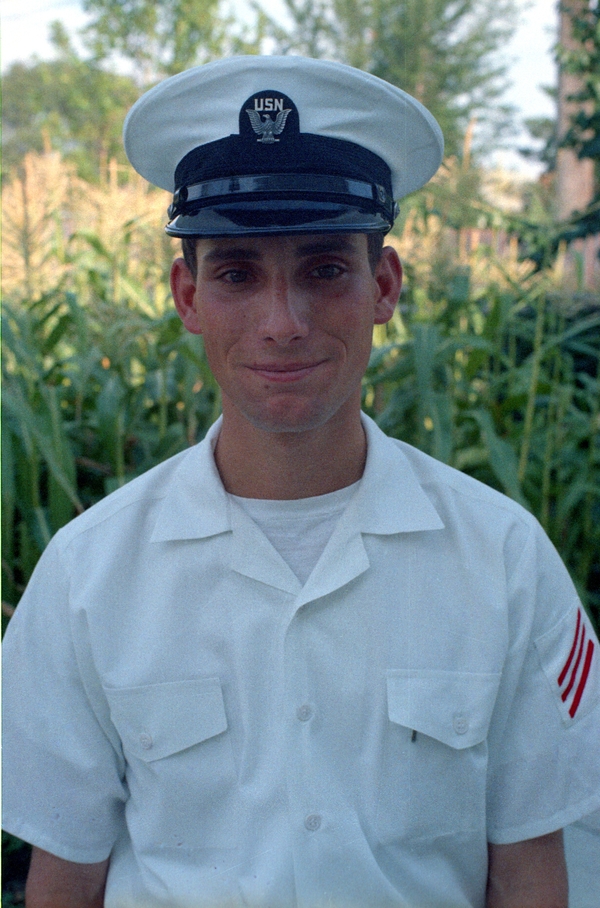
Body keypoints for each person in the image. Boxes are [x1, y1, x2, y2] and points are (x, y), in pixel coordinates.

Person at [3, 55, 600, 908]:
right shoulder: (88, 575)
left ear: (384, 286)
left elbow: (534, 875)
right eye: (238, 274)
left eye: (325, 269)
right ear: (186, 295)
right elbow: (64, 879)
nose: (282, 324)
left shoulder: (503, 559)